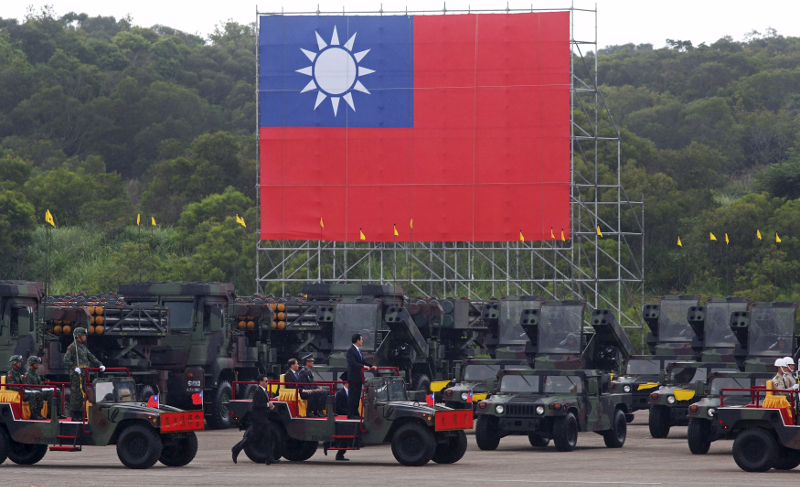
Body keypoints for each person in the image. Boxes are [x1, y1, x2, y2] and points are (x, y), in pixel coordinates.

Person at [232, 374, 278, 465]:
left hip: (264, 419)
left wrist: (270, 407)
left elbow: (264, 404)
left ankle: (269, 459)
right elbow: (256, 405)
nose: (267, 382)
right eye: (266, 381)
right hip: (258, 420)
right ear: (261, 382)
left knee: (267, 438)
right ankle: (236, 449)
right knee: (251, 438)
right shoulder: (258, 391)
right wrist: (267, 405)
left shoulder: (264, 391)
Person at [63, 327, 104, 420]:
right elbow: (66, 359)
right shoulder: (73, 347)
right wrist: (74, 368)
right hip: (76, 374)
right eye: (83, 335)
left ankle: (81, 413)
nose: (85, 337)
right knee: (76, 393)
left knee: (83, 393)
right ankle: (74, 414)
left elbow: (91, 357)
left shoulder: (83, 347)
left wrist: (99, 364)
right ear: (78, 336)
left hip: (84, 373)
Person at [346, 333, 375, 419]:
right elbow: (353, 363)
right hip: (353, 377)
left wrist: (370, 366)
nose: (362, 341)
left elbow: (362, 361)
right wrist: (362, 367)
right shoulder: (351, 350)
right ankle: (351, 414)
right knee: (352, 396)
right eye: (361, 339)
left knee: (357, 395)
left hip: (359, 377)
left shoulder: (358, 350)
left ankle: (355, 413)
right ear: (357, 340)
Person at [24, 356, 55, 420]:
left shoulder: (36, 373)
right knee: (39, 394)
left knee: (52, 392)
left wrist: (46, 387)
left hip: (38, 390)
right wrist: (39, 389)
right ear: (31, 364)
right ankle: (35, 413)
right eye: (36, 363)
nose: (38, 364)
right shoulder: (28, 375)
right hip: (33, 392)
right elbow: (28, 387)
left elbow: (40, 383)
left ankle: (51, 413)